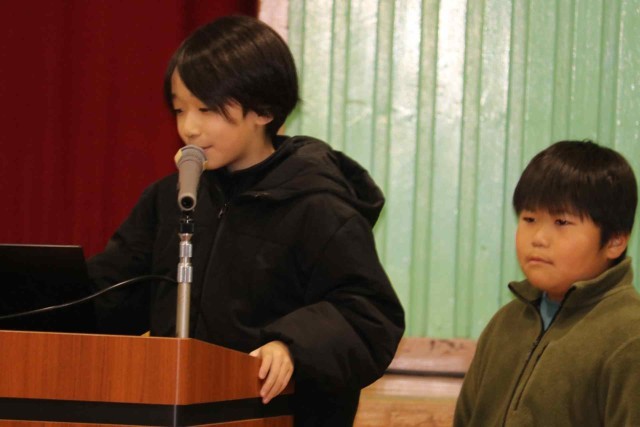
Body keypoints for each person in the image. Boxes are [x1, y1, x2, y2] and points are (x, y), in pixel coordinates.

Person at [87, 15, 405, 426]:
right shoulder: (169, 200)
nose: (189, 127)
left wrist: (291, 346)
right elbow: (110, 296)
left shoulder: (317, 204)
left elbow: (367, 314)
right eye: (180, 109)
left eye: (206, 108)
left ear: (264, 109)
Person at [454, 140, 640, 426]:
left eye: (561, 222)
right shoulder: (505, 323)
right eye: (529, 218)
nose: (538, 238)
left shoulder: (629, 336)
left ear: (615, 240)